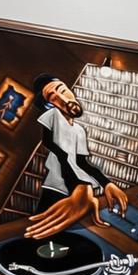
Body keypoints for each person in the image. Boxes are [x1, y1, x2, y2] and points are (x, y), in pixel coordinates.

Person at [24, 73, 130, 238]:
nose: (63, 100)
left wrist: (107, 184)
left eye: (62, 90)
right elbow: (57, 152)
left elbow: (82, 163)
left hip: (76, 189)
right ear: (49, 106)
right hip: (56, 187)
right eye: (53, 98)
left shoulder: (79, 131)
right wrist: (79, 186)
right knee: (40, 230)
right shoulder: (52, 116)